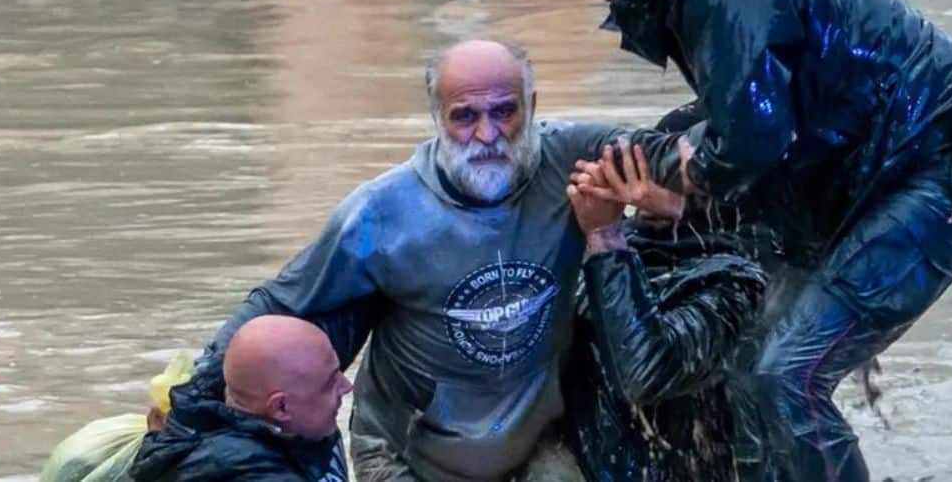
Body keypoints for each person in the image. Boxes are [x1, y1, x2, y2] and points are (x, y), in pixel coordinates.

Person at [544, 0, 952, 481]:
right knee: (752, 367)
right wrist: (667, 179)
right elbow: (746, 132)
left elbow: (744, 147)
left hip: (943, 179)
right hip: (889, 181)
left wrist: (656, 172)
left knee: (785, 373)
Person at [152, 40, 684, 482]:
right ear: (436, 118)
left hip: (537, 442)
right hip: (405, 456)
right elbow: (282, 301)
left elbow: (676, 156)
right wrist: (192, 399)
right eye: (464, 117)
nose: (488, 134)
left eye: (505, 111)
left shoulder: (576, 158)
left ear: (534, 105)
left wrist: (672, 196)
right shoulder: (381, 213)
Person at [560, 138, 767, 482]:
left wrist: (605, 236)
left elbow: (645, 374)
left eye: (677, 173)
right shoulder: (603, 242)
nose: (644, 183)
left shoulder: (743, 277)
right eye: (657, 165)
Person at [131, 316, 353, 481]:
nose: (347, 386)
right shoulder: (257, 473)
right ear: (281, 407)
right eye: (330, 382)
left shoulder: (185, 426)